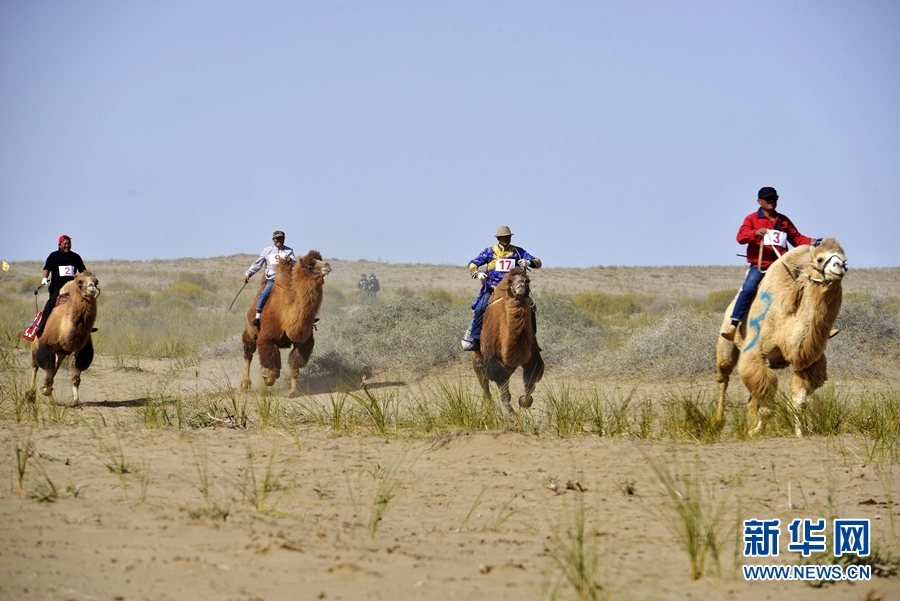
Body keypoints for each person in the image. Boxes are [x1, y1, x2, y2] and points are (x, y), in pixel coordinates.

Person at [721, 187, 816, 341]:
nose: (772, 201)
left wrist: (810, 241)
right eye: (768, 199)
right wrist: (754, 233)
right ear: (760, 202)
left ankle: (816, 327)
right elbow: (740, 237)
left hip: (783, 267)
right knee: (750, 287)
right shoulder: (751, 219)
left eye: (774, 199)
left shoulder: (783, 220)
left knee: (807, 287)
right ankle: (734, 324)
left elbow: (797, 239)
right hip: (761, 266)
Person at [461, 225, 542, 351]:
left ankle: (531, 339)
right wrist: (477, 273)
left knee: (530, 306)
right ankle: (475, 338)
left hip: (513, 290)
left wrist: (528, 262)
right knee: (480, 307)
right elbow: (472, 263)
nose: (506, 239)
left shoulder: (518, 252)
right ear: (498, 239)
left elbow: (537, 262)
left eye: (508, 237)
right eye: (503, 237)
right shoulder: (489, 252)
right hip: (493, 288)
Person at [35, 235, 88, 336]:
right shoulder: (53, 256)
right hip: (57, 287)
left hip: (72, 287)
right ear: (59, 245)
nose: (67, 246)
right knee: (52, 302)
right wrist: (44, 278)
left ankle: (85, 327)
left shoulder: (75, 257)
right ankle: (41, 325)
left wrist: (89, 277)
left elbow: (83, 270)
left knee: (83, 303)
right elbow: (47, 268)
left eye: (69, 244)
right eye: (65, 244)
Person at [244, 230, 296, 327]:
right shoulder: (267, 251)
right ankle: (258, 316)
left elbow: (296, 263)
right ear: (273, 240)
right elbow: (258, 264)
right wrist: (249, 273)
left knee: (299, 294)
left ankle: (306, 317)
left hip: (287, 281)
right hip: (273, 280)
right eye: (277, 238)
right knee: (264, 294)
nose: (279, 240)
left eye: (281, 238)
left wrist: (291, 260)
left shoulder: (289, 251)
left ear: (284, 239)